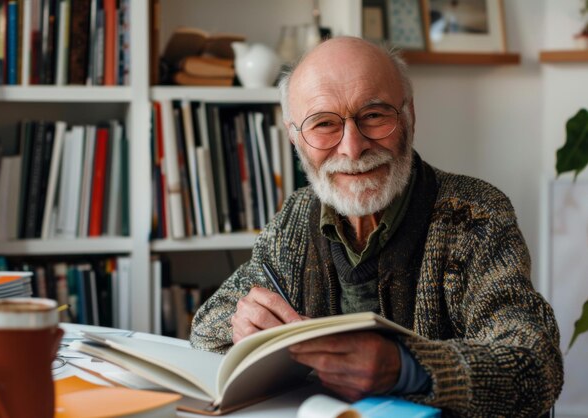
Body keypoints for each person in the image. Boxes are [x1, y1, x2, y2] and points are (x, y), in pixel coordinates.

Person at [190, 37, 563, 417]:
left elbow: (534, 363)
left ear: (409, 116)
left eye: (374, 116)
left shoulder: (475, 214)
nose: (353, 148)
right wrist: (242, 325)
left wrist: (405, 367)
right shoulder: (296, 217)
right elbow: (205, 328)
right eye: (323, 124)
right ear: (295, 137)